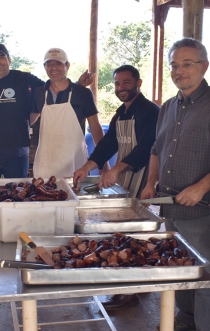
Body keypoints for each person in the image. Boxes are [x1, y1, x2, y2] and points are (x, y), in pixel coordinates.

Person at [141, 38, 210, 331]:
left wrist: (200, 187)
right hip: (171, 210)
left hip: (205, 211)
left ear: (204, 66)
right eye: (174, 65)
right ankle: (186, 323)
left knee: (208, 279)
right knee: (180, 271)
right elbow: (156, 149)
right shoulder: (168, 107)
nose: (179, 71)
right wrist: (151, 184)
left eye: (187, 64)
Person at [73, 64, 159, 310]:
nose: (121, 88)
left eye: (126, 82)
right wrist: (87, 166)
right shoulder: (122, 112)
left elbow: (146, 150)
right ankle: (135, 284)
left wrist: (115, 170)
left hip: (142, 178)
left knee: (132, 235)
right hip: (125, 180)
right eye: (117, 84)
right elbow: (108, 144)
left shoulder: (150, 112)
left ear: (138, 83)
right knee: (125, 234)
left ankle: (129, 291)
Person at [0, 43, 94, 182]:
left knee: (17, 197)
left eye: (1, 57)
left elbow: (55, 86)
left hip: (17, 154)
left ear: (9, 60)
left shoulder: (25, 79)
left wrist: (77, 85)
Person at [30, 47, 104, 178]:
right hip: (45, 163)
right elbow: (30, 119)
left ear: (67, 66)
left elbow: (95, 128)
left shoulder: (83, 93)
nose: (54, 68)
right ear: (44, 67)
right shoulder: (39, 93)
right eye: (49, 64)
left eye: (59, 63)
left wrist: (103, 163)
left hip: (75, 164)